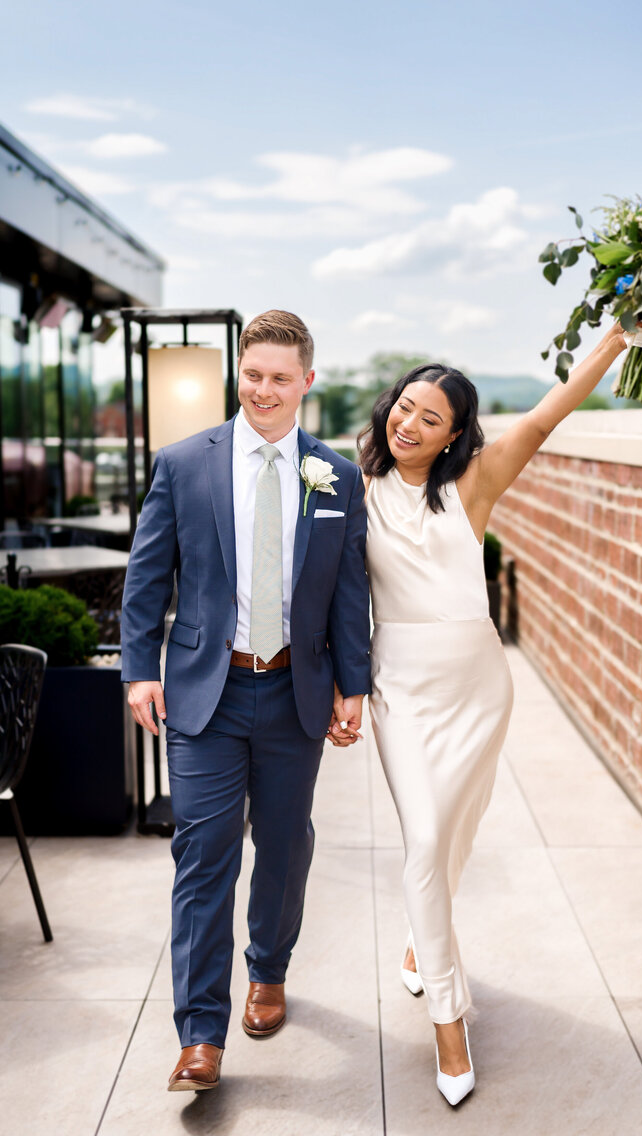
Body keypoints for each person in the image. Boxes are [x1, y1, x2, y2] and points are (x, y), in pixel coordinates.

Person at [358, 321, 642, 1105]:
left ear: (457, 434)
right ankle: (450, 1024)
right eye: (405, 406)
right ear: (388, 407)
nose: (411, 423)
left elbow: (549, 411)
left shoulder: (474, 484)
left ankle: (419, 943)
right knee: (424, 839)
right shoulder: (353, 492)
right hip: (402, 687)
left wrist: (619, 338)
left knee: (450, 836)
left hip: (476, 690)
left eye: (432, 417)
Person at [121, 310, 370, 1093]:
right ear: (241, 372)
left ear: (306, 382)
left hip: (295, 688)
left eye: (279, 377)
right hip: (207, 692)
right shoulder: (185, 464)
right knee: (203, 853)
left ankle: (270, 969)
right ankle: (200, 1034)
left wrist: (354, 684)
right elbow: (146, 576)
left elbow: (347, 591)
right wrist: (138, 669)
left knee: (287, 843)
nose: (263, 389)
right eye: (252, 374)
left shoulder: (337, 476)